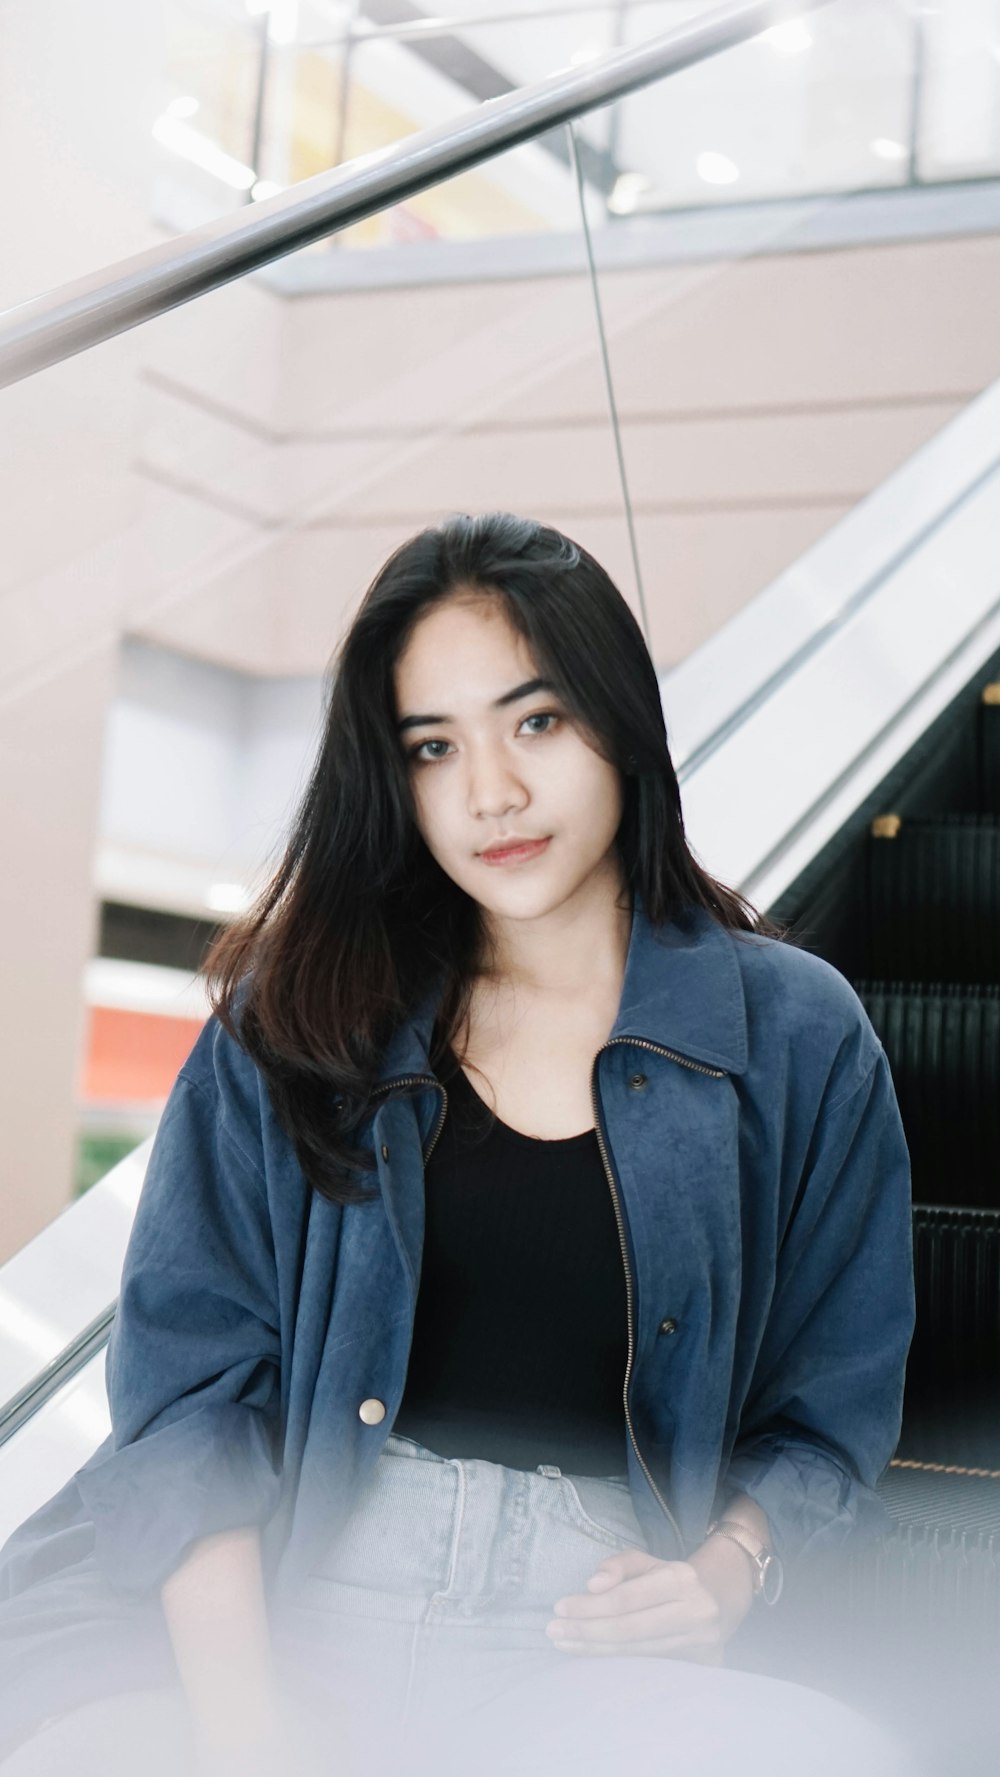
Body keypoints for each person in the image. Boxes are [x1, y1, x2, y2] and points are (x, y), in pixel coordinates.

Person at [0, 512, 915, 1777]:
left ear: (620, 721)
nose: (491, 792)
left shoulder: (797, 1036)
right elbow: (190, 1409)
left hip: (594, 1631)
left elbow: (829, 1414)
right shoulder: (293, 1018)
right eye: (434, 746)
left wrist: (726, 1570)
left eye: (535, 721)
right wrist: (248, 1729)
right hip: (276, 1599)